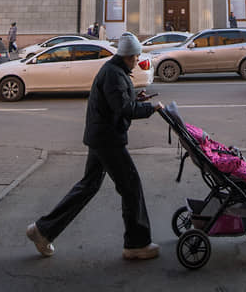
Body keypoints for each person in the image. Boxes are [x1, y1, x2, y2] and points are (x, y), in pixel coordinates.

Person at [26, 32, 164, 260]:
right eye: (136, 56)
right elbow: (123, 109)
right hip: (108, 140)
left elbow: (118, 101)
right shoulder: (114, 75)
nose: (137, 60)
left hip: (101, 138)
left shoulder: (115, 71)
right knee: (131, 187)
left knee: (88, 186)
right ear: (128, 56)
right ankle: (137, 244)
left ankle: (43, 231)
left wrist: (136, 98)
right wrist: (153, 108)